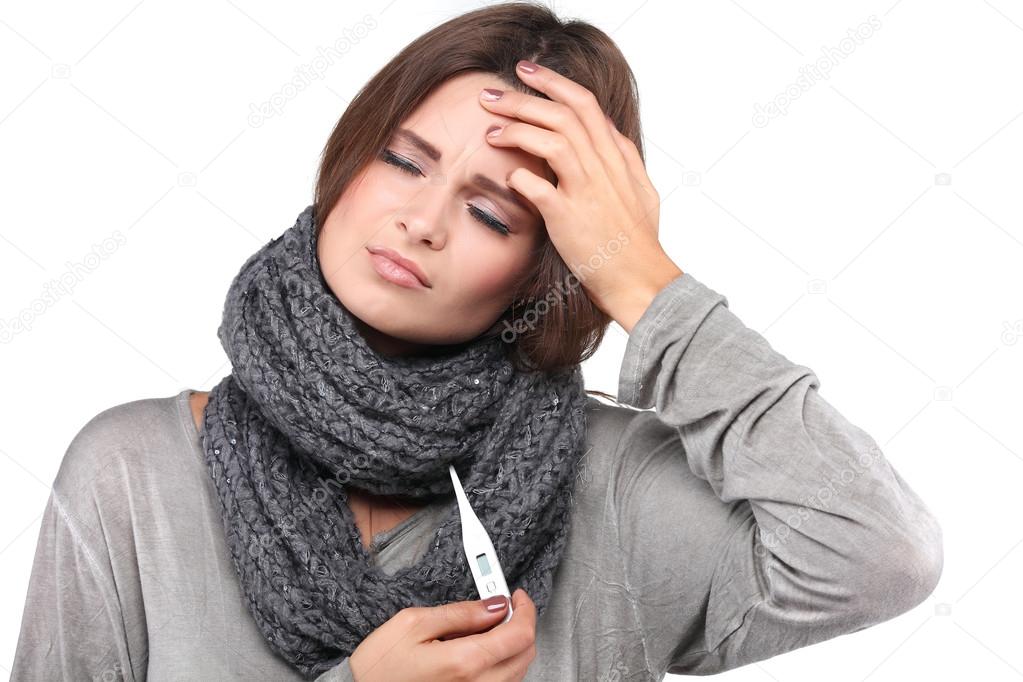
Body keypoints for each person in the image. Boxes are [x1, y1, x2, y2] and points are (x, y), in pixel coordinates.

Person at [10, 3, 943, 680]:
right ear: (347, 160)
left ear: (544, 270)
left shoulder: (616, 490)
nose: (420, 221)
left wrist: (639, 279)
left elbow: (878, 556)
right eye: (405, 160)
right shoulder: (130, 474)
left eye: (491, 214)